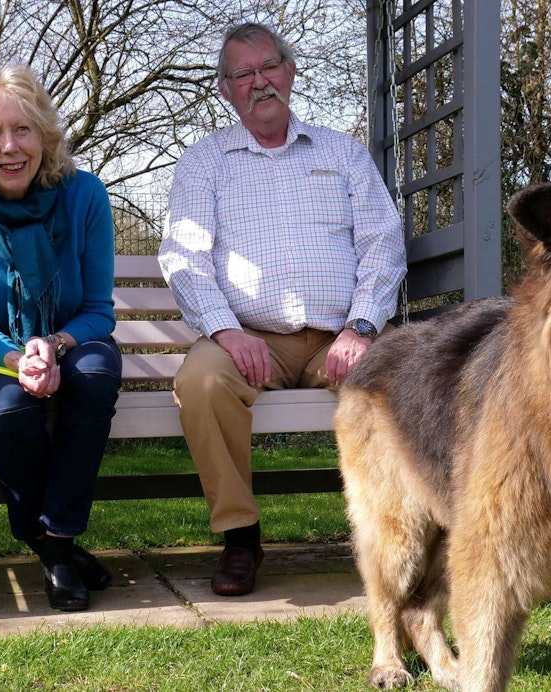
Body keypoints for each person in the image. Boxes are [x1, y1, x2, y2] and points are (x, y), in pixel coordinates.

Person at [160, 23, 407, 597]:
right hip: (248, 340)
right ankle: (240, 537)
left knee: (403, 376)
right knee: (199, 381)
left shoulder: (342, 153)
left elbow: (383, 242)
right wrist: (225, 331)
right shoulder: (205, 162)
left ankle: (400, 533)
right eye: (242, 74)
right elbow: (184, 254)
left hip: (341, 338)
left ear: (290, 72)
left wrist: (363, 326)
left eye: (268, 67)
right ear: (226, 89)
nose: (259, 82)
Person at [0, 64, 122, 612]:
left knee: (95, 376)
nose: (9, 147)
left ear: (45, 136)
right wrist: (18, 358)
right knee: (13, 408)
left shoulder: (85, 195)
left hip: (72, 340)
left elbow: (99, 312)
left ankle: (56, 538)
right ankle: (51, 548)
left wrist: (53, 345)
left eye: (23, 130)